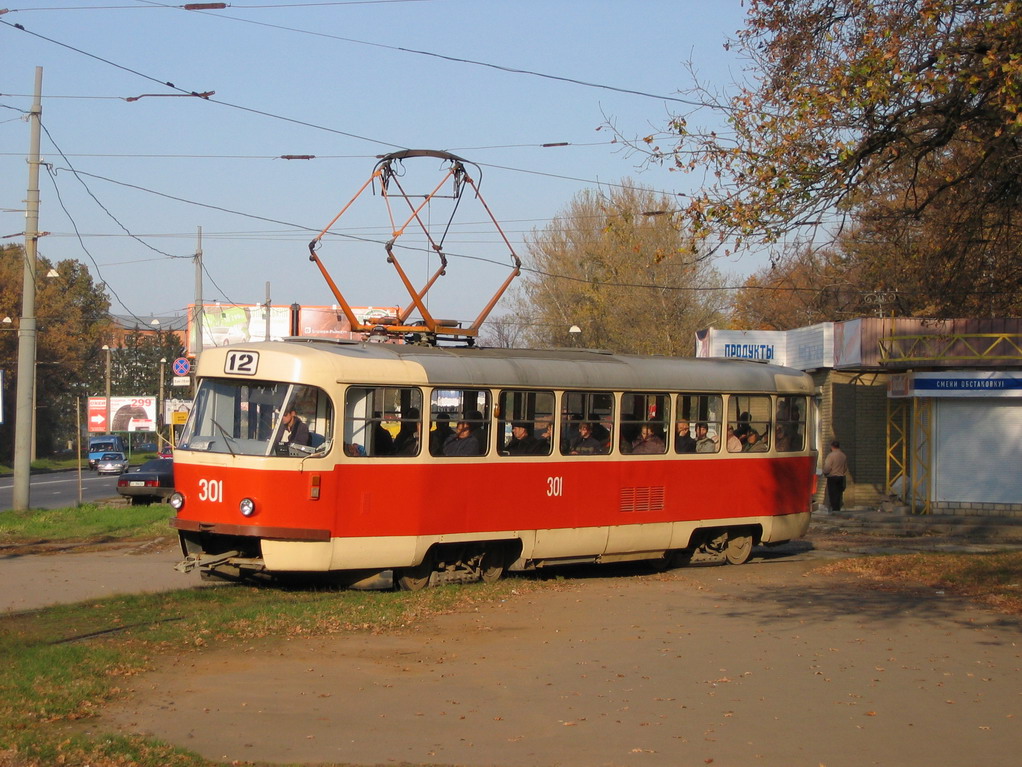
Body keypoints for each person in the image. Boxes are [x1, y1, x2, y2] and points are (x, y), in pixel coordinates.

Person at [822, 440, 849, 511]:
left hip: (832, 477)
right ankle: (838, 508)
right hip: (841, 477)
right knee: (839, 494)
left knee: (832, 494)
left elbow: (827, 468)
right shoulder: (843, 455)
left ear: (832, 447)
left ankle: (834, 509)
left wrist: (824, 472)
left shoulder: (830, 456)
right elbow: (845, 468)